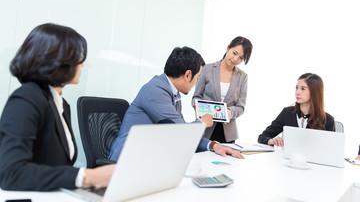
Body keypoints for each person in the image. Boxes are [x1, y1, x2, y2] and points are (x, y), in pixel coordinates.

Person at [0, 23, 115, 191]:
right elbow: (12, 173)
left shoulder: (59, 103)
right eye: (78, 57)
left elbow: (56, 165)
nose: (82, 64)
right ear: (58, 61)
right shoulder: (26, 98)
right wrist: (88, 176)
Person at [108, 46, 244, 160]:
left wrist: (214, 145)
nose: (195, 84)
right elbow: (181, 133)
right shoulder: (155, 90)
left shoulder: (172, 93)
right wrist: (203, 122)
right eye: (197, 78)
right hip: (125, 161)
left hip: (146, 158)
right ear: (187, 75)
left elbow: (183, 129)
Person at [192, 36, 253, 143]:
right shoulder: (207, 69)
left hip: (228, 133)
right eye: (234, 53)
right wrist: (197, 106)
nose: (235, 59)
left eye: (241, 58)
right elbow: (196, 97)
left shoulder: (243, 77)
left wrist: (230, 111)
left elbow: (241, 107)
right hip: (205, 129)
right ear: (228, 47)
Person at [258, 73, 335, 147]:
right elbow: (262, 137)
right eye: (296, 87)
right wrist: (272, 141)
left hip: (315, 160)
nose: (297, 92)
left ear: (314, 92)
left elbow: (331, 150)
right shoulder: (287, 113)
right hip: (289, 159)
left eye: (303, 89)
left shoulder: (328, 120)